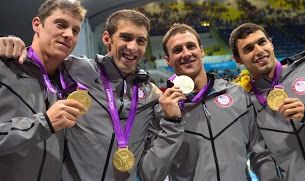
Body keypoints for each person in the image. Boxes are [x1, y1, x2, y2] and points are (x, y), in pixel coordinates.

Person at [1, 9, 185, 181]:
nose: (132, 47)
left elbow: (152, 167)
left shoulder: (151, 95)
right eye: (125, 38)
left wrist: (174, 121)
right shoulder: (74, 69)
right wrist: (10, 43)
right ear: (107, 38)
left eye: (140, 41)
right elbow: (40, 58)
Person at [139, 23, 280, 181]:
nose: (186, 54)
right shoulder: (161, 111)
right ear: (168, 60)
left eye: (191, 46)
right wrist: (171, 122)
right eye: (177, 50)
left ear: (201, 51)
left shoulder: (237, 94)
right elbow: (149, 174)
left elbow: (260, 154)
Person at [0, 0, 87, 181]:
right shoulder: (5, 67)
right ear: (37, 24)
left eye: (75, 30)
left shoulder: (70, 82)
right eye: (61, 25)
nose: (69, 34)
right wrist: (44, 123)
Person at [229, 22, 305, 181]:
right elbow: (259, 154)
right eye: (249, 49)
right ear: (238, 59)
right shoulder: (246, 101)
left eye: (262, 42)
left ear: (271, 44)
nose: (259, 50)